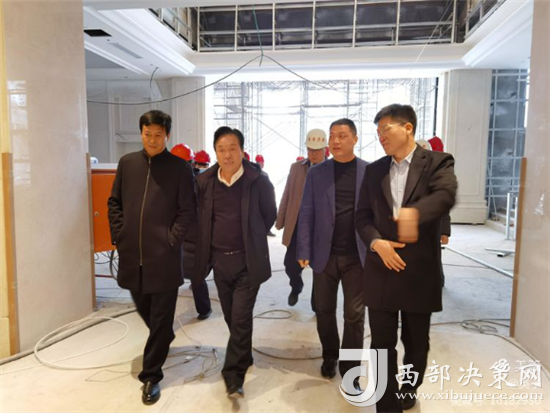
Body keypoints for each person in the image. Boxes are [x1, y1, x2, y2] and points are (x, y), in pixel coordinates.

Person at [355, 104, 457, 412]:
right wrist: (376, 243)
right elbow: (362, 216)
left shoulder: (437, 162)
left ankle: (408, 390)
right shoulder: (374, 170)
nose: (381, 137)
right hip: (381, 267)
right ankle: (387, 405)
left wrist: (415, 214)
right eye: (378, 132)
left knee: (416, 344)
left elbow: (445, 195)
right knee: (381, 345)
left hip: (418, 271)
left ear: (407, 128)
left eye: (386, 129)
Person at [108, 110, 196, 405]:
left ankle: (151, 376)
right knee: (143, 306)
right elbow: (114, 202)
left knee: (160, 316)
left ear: (167, 135)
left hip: (164, 256)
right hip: (132, 254)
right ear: (141, 133)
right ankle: (163, 336)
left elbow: (188, 210)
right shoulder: (128, 163)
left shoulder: (180, 168)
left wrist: (171, 240)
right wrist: (120, 234)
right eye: (148, 134)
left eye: (159, 135)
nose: (153, 140)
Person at [195, 126, 277, 399]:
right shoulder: (205, 182)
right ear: (215, 152)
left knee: (240, 317)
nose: (227, 155)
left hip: (247, 261)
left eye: (232, 149)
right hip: (220, 261)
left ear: (242, 151)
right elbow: (200, 217)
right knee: (232, 315)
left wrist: (253, 237)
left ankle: (233, 376)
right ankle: (244, 354)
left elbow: (269, 215)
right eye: (221, 149)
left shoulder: (258, 181)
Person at [296, 119, 368, 388]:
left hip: (357, 257)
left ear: (355, 139)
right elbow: (306, 212)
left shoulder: (369, 171)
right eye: (333, 135)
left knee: (354, 315)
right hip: (324, 254)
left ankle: (351, 370)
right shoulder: (317, 173)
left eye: (342, 135)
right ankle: (330, 355)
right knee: (324, 309)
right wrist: (303, 248)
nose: (336, 140)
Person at [276, 128, 327, 309]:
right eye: (310, 149)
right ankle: (296, 286)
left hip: (321, 228)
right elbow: (287, 194)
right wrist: (280, 220)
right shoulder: (296, 168)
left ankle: (316, 303)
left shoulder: (331, 169)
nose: (313, 153)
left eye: (317, 150)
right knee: (290, 265)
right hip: (298, 225)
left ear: (325, 149)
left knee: (320, 269)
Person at [170, 145, 212, 320]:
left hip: (182, 234)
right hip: (188, 234)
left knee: (186, 275)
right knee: (195, 275)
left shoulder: (171, 183)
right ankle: (203, 309)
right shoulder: (197, 183)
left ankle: (203, 309)